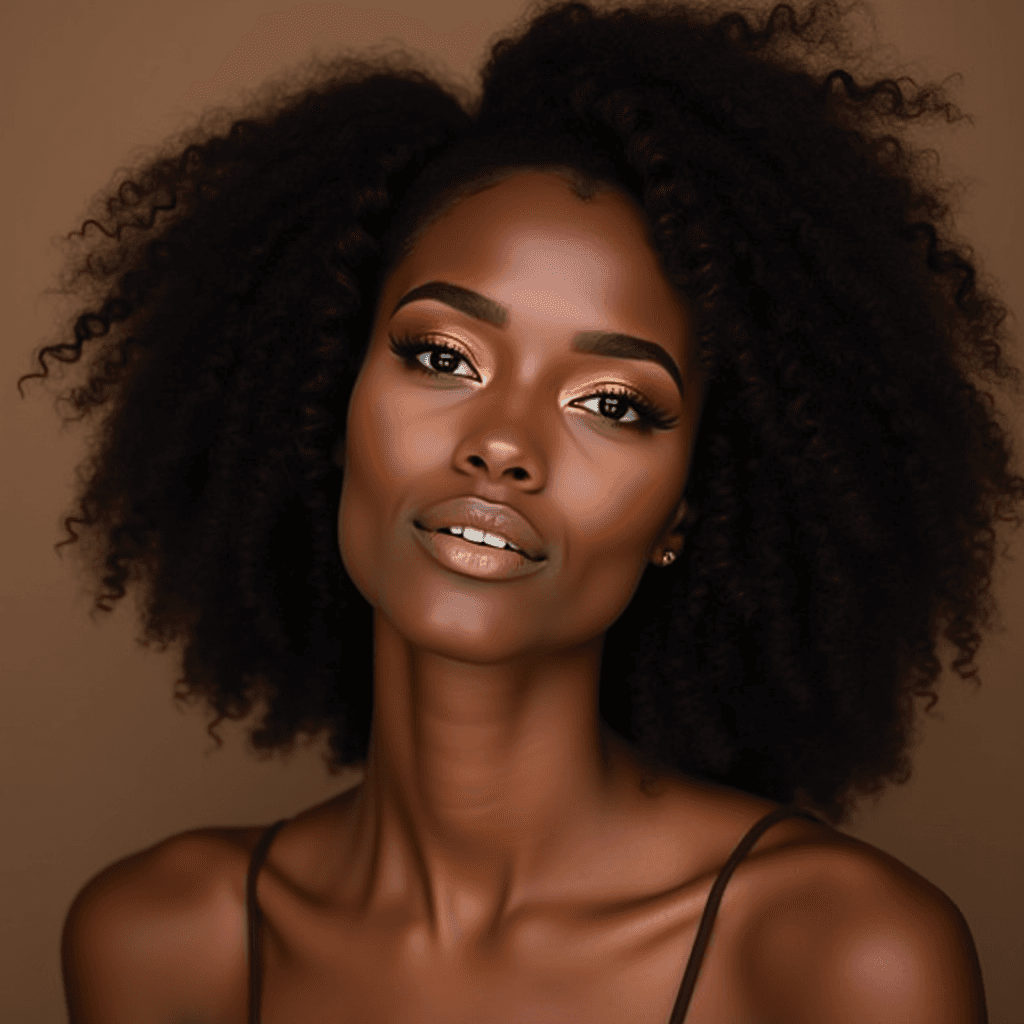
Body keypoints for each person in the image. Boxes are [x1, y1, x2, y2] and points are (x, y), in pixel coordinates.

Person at [19, 0, 1017, 1020]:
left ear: (684, 510)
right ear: (330, 400)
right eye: (442, 355)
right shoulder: (160, 945)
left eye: (614, 405)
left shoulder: (840, 958)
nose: (502, 443)